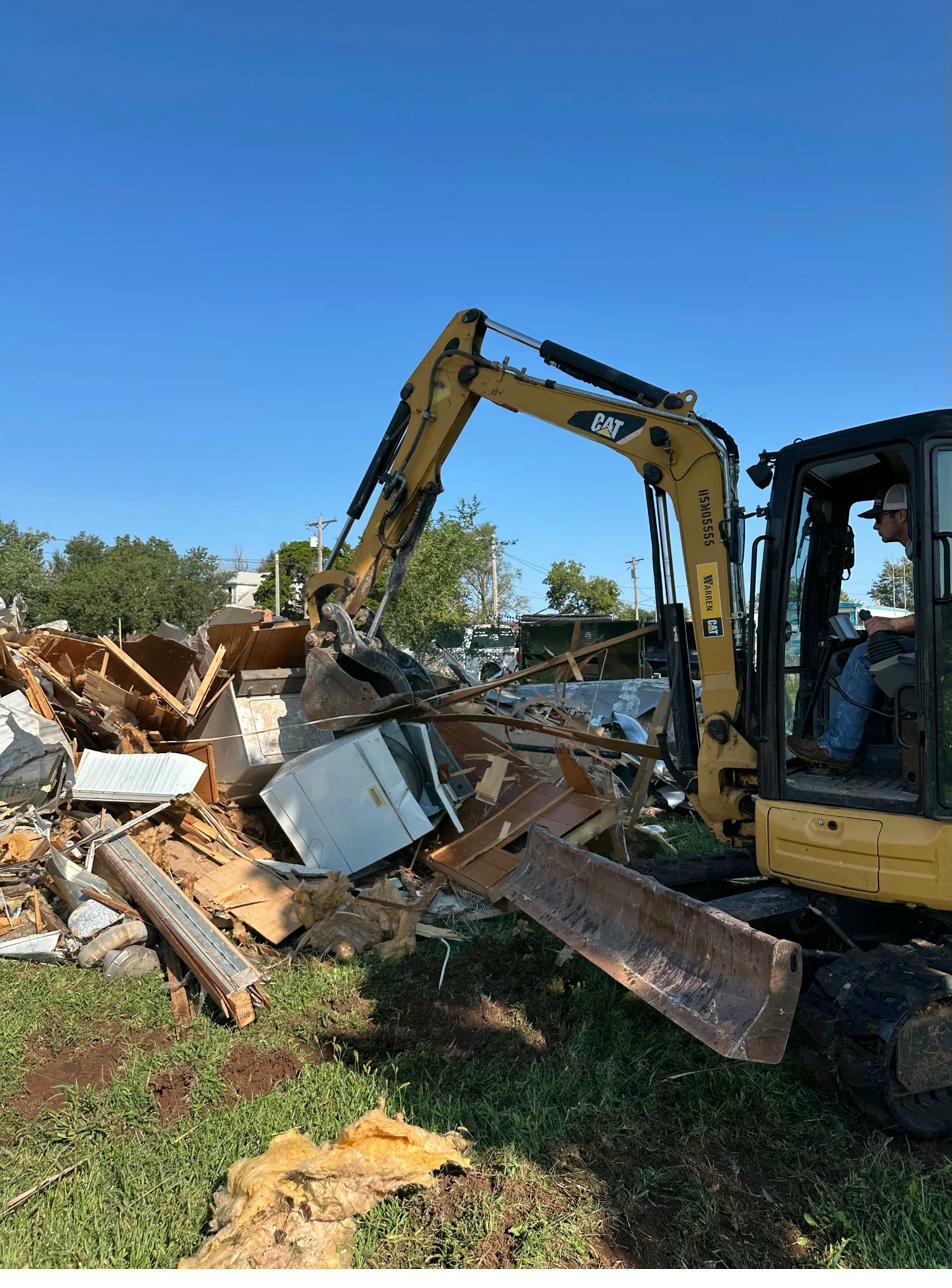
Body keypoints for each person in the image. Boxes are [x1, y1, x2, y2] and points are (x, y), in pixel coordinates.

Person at [788, 484, 915, 771]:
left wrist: (892, 624)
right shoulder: (920, 552)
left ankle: (837, 748)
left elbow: (944, 613)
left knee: (862, 655)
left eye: (879, 517)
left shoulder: (932, 551)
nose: (874, 526)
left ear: (902, 515)